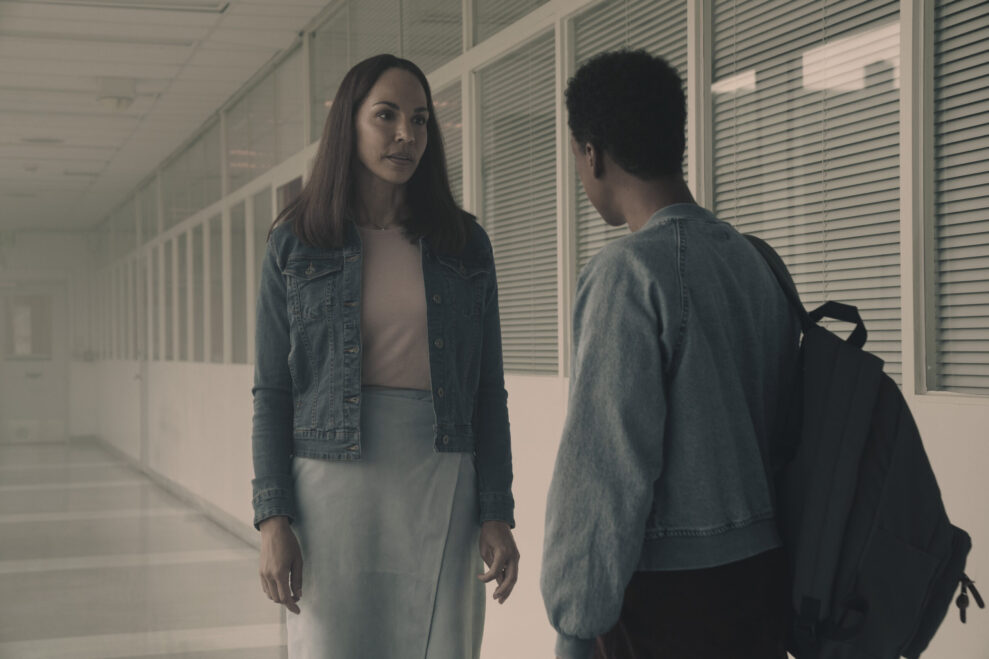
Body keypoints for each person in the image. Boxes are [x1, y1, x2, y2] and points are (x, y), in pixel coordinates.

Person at [251, 54, 520, 659]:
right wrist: (272, 519)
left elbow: (487, 390)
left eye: (420, 119)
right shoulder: (295, 242)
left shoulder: (464, 244)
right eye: (386, 115)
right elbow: (272, 392)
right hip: (329, 491)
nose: (407, 134)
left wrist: (496, 511)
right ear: (348, 124)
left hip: (440, 481)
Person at [540, 50, 801, 659]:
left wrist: (575, 624)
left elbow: (604, 468)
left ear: (592, 154)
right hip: (765, 586)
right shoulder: (756, 262)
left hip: (669, 602)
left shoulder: (628, 273)